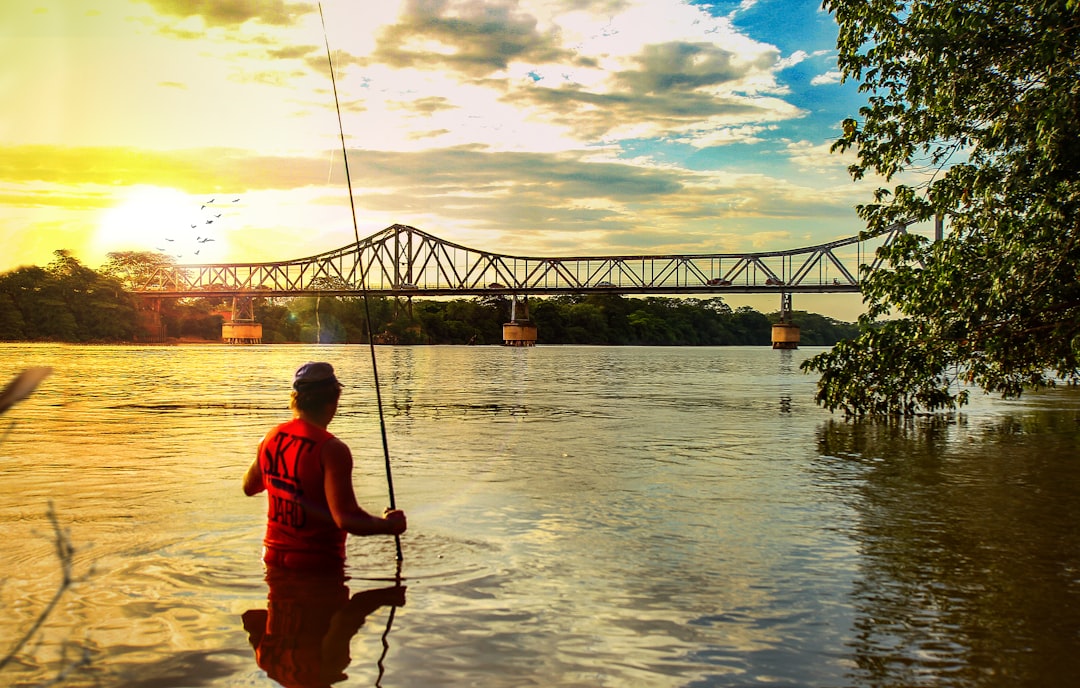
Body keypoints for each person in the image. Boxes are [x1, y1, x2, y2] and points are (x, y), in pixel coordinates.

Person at [244, 361, 406, 571]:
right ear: (334, 399)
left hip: (271, 559)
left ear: (295, 400)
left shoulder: (268, 439)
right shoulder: (332, 450)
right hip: (317, 566)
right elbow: (346, 518)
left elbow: (250, 487)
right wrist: (389, 526)